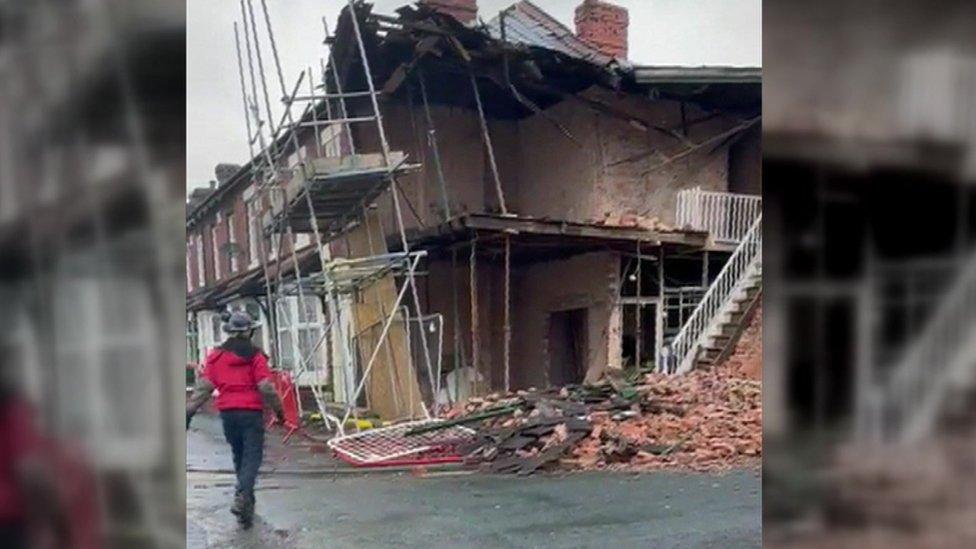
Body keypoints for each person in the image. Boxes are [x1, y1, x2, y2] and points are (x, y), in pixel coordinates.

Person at [186, 311, 284, 529]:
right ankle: (243, 495)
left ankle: (246, 505)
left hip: (228, 414)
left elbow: (204, 387)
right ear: (249, 331)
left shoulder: (217, 357)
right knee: (253, 457)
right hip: (251, 414)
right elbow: (266, 387)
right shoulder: (256, 356)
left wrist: (189, 411)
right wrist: (279, 411)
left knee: (239, 455)